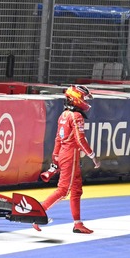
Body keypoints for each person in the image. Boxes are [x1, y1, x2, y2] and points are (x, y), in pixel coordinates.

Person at [41, 85, 101, 234]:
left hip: (64, 154)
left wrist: (55, 159)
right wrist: (93, 156)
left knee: (76, 190)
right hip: (71, 156)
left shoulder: (63, 115)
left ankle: (77, 223)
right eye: (84, 98)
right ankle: (38, 212)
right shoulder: (76, 116)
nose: (86, 101)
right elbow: (80, 140)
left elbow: (57, 139)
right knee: (63, 190)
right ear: (77, 98)